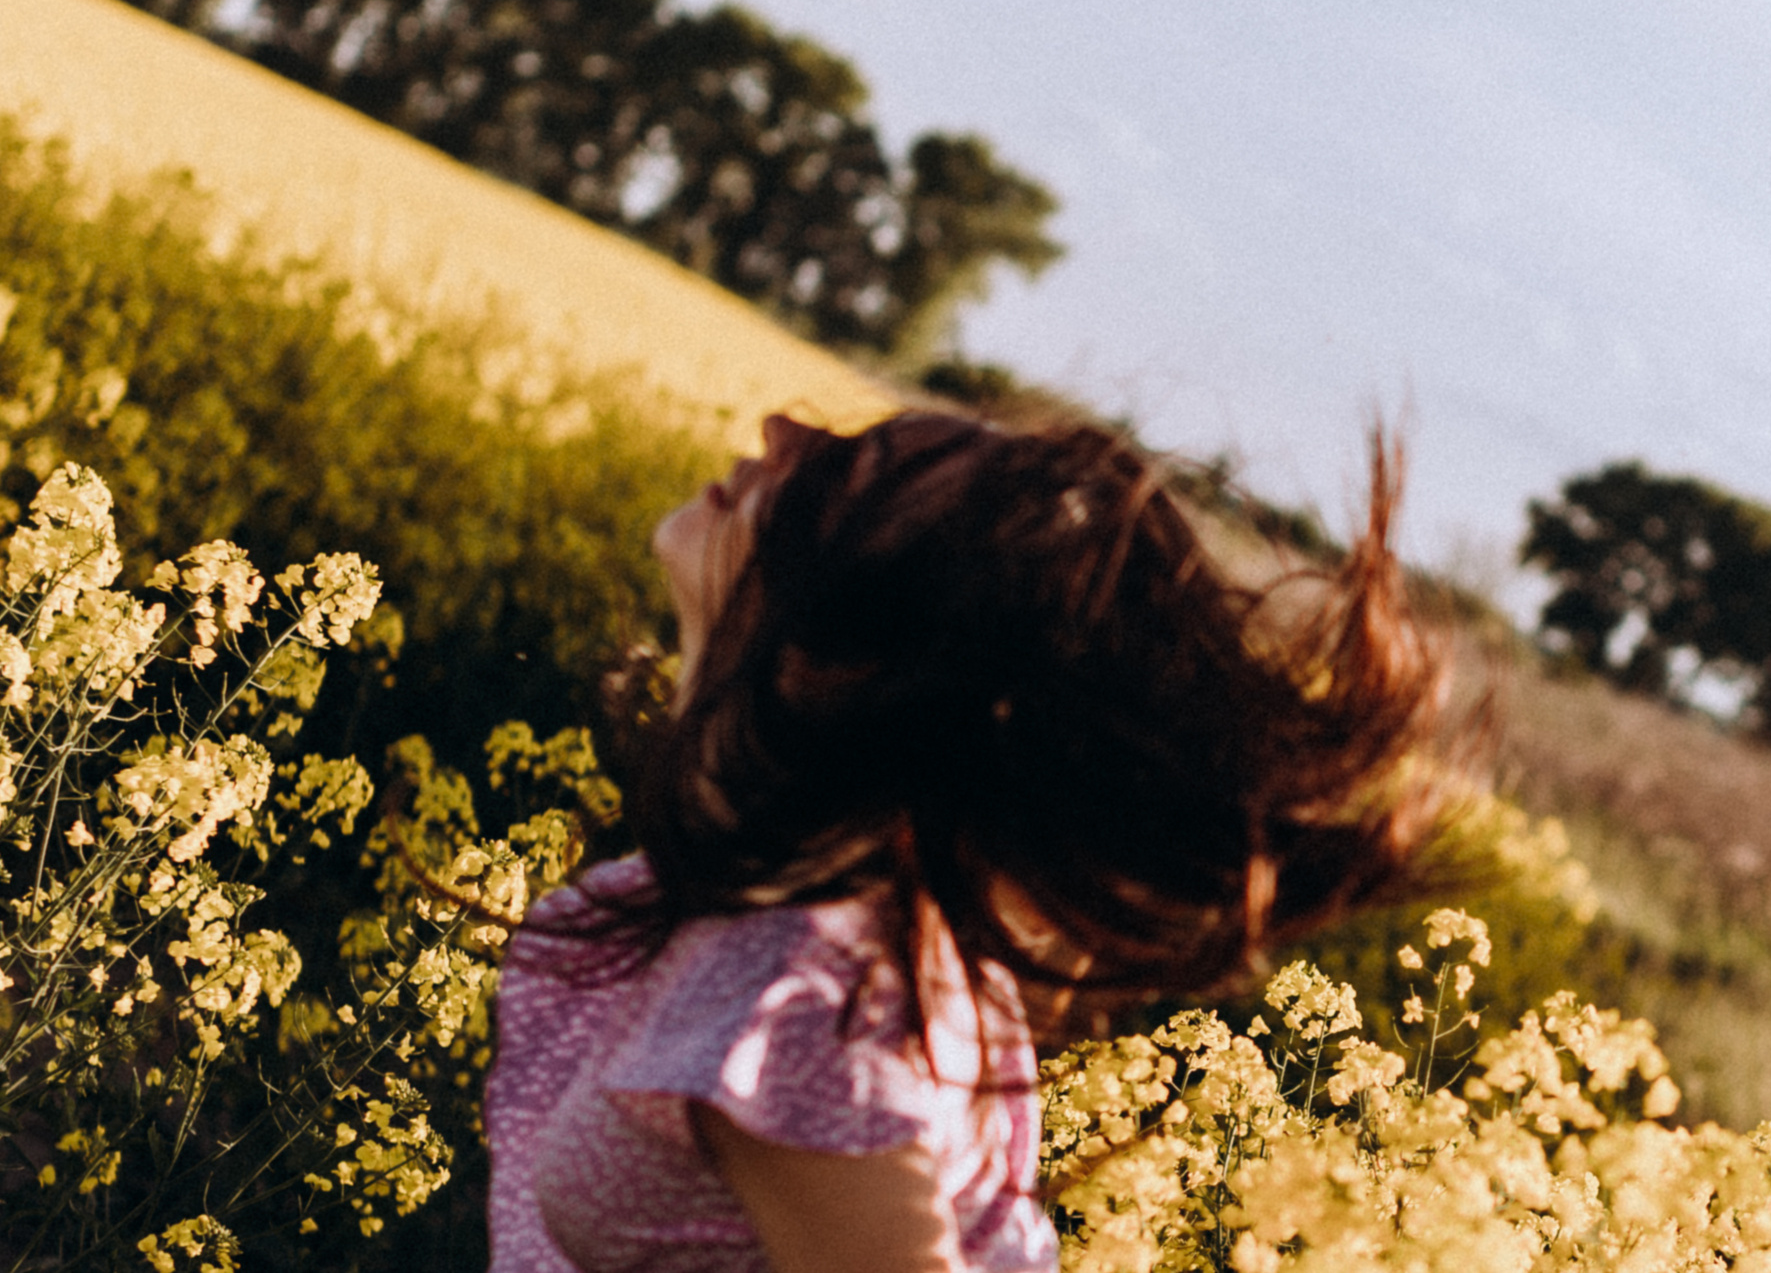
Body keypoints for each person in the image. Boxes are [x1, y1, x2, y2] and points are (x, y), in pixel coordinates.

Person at [485, 409, 1457, 1273]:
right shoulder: (805, 921)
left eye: (839, 475)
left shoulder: (805, 1006)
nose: (785, 429)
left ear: (855, 654)